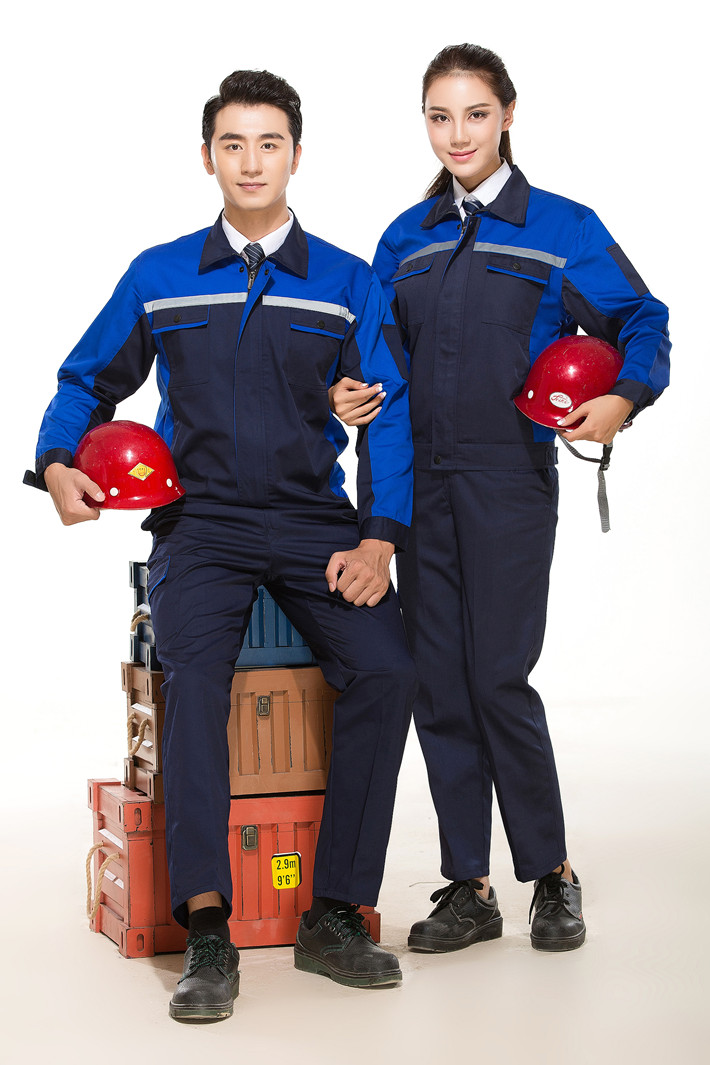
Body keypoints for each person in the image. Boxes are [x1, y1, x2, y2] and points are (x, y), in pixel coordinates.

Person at [27, 69, 418, 1021]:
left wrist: (379, 538)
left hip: (313, 517)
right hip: (200, 522)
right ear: (207, 157)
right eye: (232, 144)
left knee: (389, 665)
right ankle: (207, 923)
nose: (251, 161)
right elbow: (86, 380)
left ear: (296, 155)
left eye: (269, 143)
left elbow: (391, 412)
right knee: (194, 675)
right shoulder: (159, 274)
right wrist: (57, 460)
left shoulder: (345, 281)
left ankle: (334, 911)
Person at [330, 43, 670, 954]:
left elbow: (643, 319)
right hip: (421, 487)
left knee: (497, 678)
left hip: (509, 480)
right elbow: (374, 366)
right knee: (438, 683)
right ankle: (468, 884)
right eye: (440, 117)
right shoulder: (404, 239)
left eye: (475, 114)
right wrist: (344, 393)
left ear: (508, 116)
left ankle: (551, 872)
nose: (458, 134)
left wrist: (623, 397)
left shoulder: (560, 225)